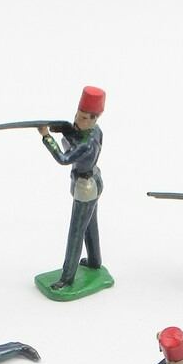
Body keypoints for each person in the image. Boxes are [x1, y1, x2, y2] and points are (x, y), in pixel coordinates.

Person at [37, 86, 105, 290]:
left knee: (76, 233)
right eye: (77, 114)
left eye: (83, 118)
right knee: (90, 225)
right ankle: (94, 261)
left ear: (94, 119)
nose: (77, 120)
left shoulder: (86, 145)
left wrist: (46, 136)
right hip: (93, 181)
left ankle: (67, 278)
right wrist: (64, 128)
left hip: (86, 189)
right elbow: (76, 133)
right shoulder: (95, 132)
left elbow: (63, 158)